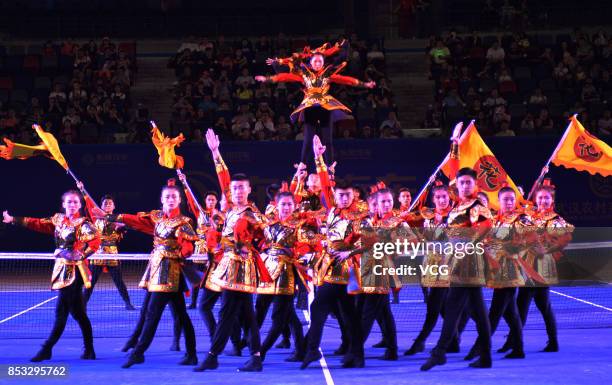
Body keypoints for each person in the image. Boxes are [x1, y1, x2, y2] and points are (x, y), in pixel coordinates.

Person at [92, 179, 199, 368]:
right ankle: (192, 355)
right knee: (181, 315)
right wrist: (108, 217)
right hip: (157, 270)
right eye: (167, 197)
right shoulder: (157, 218)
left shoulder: (184, 222)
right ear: (162, 199)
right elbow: (135, 220)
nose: (170, 199)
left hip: (170, 273)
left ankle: (138, 353)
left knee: (152, 313)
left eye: (174, 197)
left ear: (179, 200)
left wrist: (184, 250)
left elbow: (189, 246)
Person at [195, 129, 270, 372]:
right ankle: (256, 357)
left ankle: (212, 355)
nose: (237, 191)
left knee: (227, 312)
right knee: (247, 315)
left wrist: (250, 246)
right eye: (234, 189)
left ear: (248, 190)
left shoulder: (252, 214)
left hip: (241, 269)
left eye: (241, 189)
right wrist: (215, 152)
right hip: (229, 266)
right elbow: (223, 179)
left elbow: (267, 236)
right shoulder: (229, 210)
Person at [3, 190, 100, 362]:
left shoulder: (82, 223)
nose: (72, 205)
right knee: (78, 314)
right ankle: (90, 350)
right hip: (61, 270)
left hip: (75, 272)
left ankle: (46, 349)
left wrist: (79, 254)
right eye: (69, 202)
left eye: (76, 202)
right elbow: (38, 223)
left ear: (80, 205)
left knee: (61, 312)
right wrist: (13, 220)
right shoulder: (58, 220)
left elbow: (95, 241)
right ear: (63, 204)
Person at [301, 135, 367, 369]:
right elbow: (325, 184)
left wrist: (350, 253)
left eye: (347, 195)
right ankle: (356, 354)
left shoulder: (358, 216)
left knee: (319, 307)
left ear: (353, 196)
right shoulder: (332, 212)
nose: (342, 198)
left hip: (343, 269)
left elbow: (372, 241)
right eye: (339, 195)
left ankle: (311, 350)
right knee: (347, 314)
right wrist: (318, 157)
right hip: (327, 263)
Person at [420, 167, 493, 371]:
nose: (465, 186)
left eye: (469, 182)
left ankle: (440, 352)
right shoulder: (459, 206)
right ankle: (485, 356)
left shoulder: (476, 206)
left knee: (452, 308)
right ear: (457, 185)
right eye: (462, 182)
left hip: (468, 265)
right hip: (457, 264)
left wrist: (465, 243)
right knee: (479, 313)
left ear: (475, 184)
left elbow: (487, 226)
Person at [256, 43, 375, 165]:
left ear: (323, 63)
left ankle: (330, 168)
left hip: (325, 107)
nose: (317, 63)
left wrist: (364, 84)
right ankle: (302, 165)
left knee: (328, 140)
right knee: (308, 140)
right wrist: (267, 79)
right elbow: (285, 76)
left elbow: (347, 80)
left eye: (320, 61)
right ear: (310, 62)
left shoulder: (328, 74)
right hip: (310, 107)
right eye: (315, 61)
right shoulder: (304, 74)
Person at [501, 179, 573, 353]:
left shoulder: (556, 220)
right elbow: (514, 213)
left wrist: (544, 246)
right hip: (527, 265)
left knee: (521, 304)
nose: (543, 201)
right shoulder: (530, 214)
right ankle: (553, 341)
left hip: (540, 266)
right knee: (543, 305)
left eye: (546, 198)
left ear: (552, 201)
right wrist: (520, 195)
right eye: (540, 198)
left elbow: (563, 240)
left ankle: (514, 342)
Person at [464, 186, 531, 361]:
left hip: (510, 272)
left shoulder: (521, 219)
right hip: (496, 273)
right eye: (505, 199)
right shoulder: (496, 220)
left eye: (511, 199)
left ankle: (479, 348)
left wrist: (513, 249)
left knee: (494, 314)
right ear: (499, 201)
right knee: (511, 313)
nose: (509, 202)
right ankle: (518, 348)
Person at [258, 191, 308, 362]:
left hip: (286, 275)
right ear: (276, 206)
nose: (286, 208)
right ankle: (301, 349)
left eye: (289, 204)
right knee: (289, 315)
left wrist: (294, 252)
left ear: (294, 206)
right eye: (283, 204)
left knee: (279, 319)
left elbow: (306, 247)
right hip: (268, 273)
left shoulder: (298, 226)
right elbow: (261, 242)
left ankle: (260, 353)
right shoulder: (269, 224)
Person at [77, 183, 135, 311]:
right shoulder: (95, 218)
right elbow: (89, 204)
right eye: (105, 203)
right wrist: (82, 190)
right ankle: (82, 305)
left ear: (114, 206)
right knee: (90, 283)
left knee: (119, 281)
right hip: (97, 253)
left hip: (113, 254)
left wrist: (123, 226)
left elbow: (130, 226)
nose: (108, 205)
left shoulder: (117, 220)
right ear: (101, 206)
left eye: (110, 203)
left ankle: (128, 303)